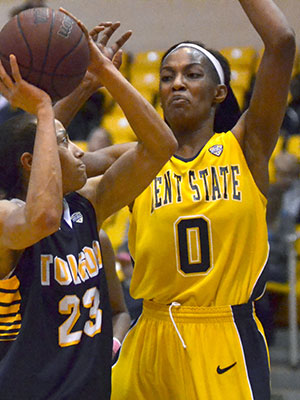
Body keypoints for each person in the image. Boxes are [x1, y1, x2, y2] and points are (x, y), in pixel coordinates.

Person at [109, 1, 296, 399]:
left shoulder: (247, 147)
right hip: (151, 332)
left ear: (219, 93)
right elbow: (50, 165)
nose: (177, 83)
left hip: (223, 334)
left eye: (192, 75)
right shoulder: (135, 160)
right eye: (167, 76)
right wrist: (86, 85)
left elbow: (281, 43)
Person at [0, 10, 177, 400]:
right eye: (64, 142)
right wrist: (44, 110)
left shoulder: (87, 205)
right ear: (30, 162)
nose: (80, 151)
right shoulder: (5, 219)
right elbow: (42, 216)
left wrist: (100, 74)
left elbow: (161, 147)